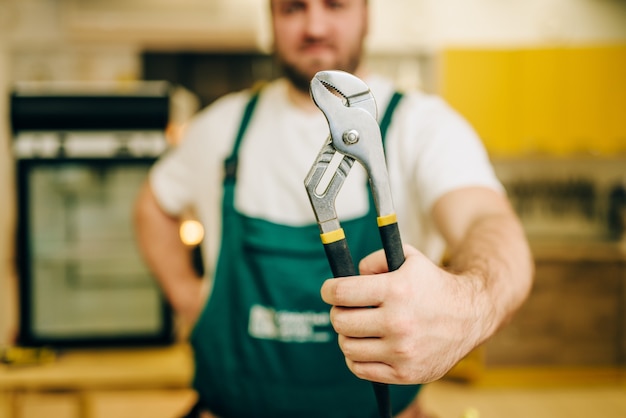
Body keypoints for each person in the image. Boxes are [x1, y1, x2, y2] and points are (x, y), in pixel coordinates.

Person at [133, 0, 534, 417]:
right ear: (270, 19)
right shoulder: (220, 128)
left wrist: (469, 306)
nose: (315, 26)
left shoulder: (424, 126)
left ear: (366, 13)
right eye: (293, 8)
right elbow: (152, 206)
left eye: (335, 5)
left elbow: (486, 221)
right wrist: (191, 301)